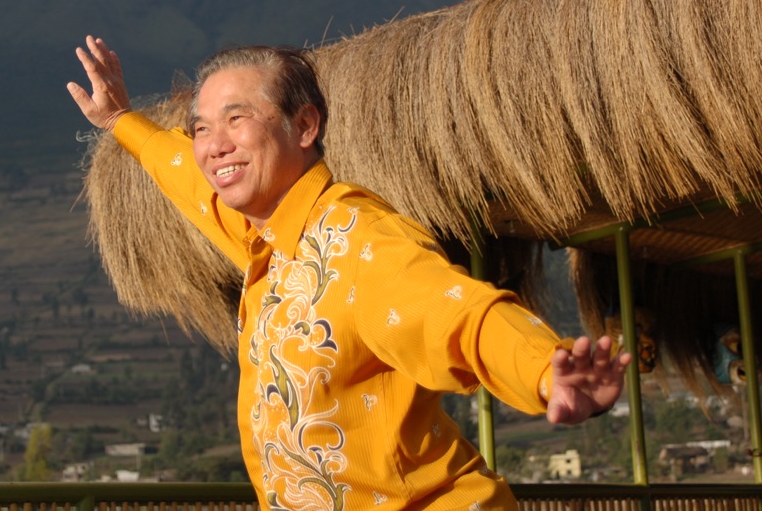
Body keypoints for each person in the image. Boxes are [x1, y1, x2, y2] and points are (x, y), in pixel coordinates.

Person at [67, 35, 631, 511]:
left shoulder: (357, 239)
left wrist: (543, 372)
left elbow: (457, 311)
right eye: (202, 129)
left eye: (236, 119)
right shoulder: (262, 238)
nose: (215, 146)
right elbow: (186, 179)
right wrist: (122, 120)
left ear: (305, 125)